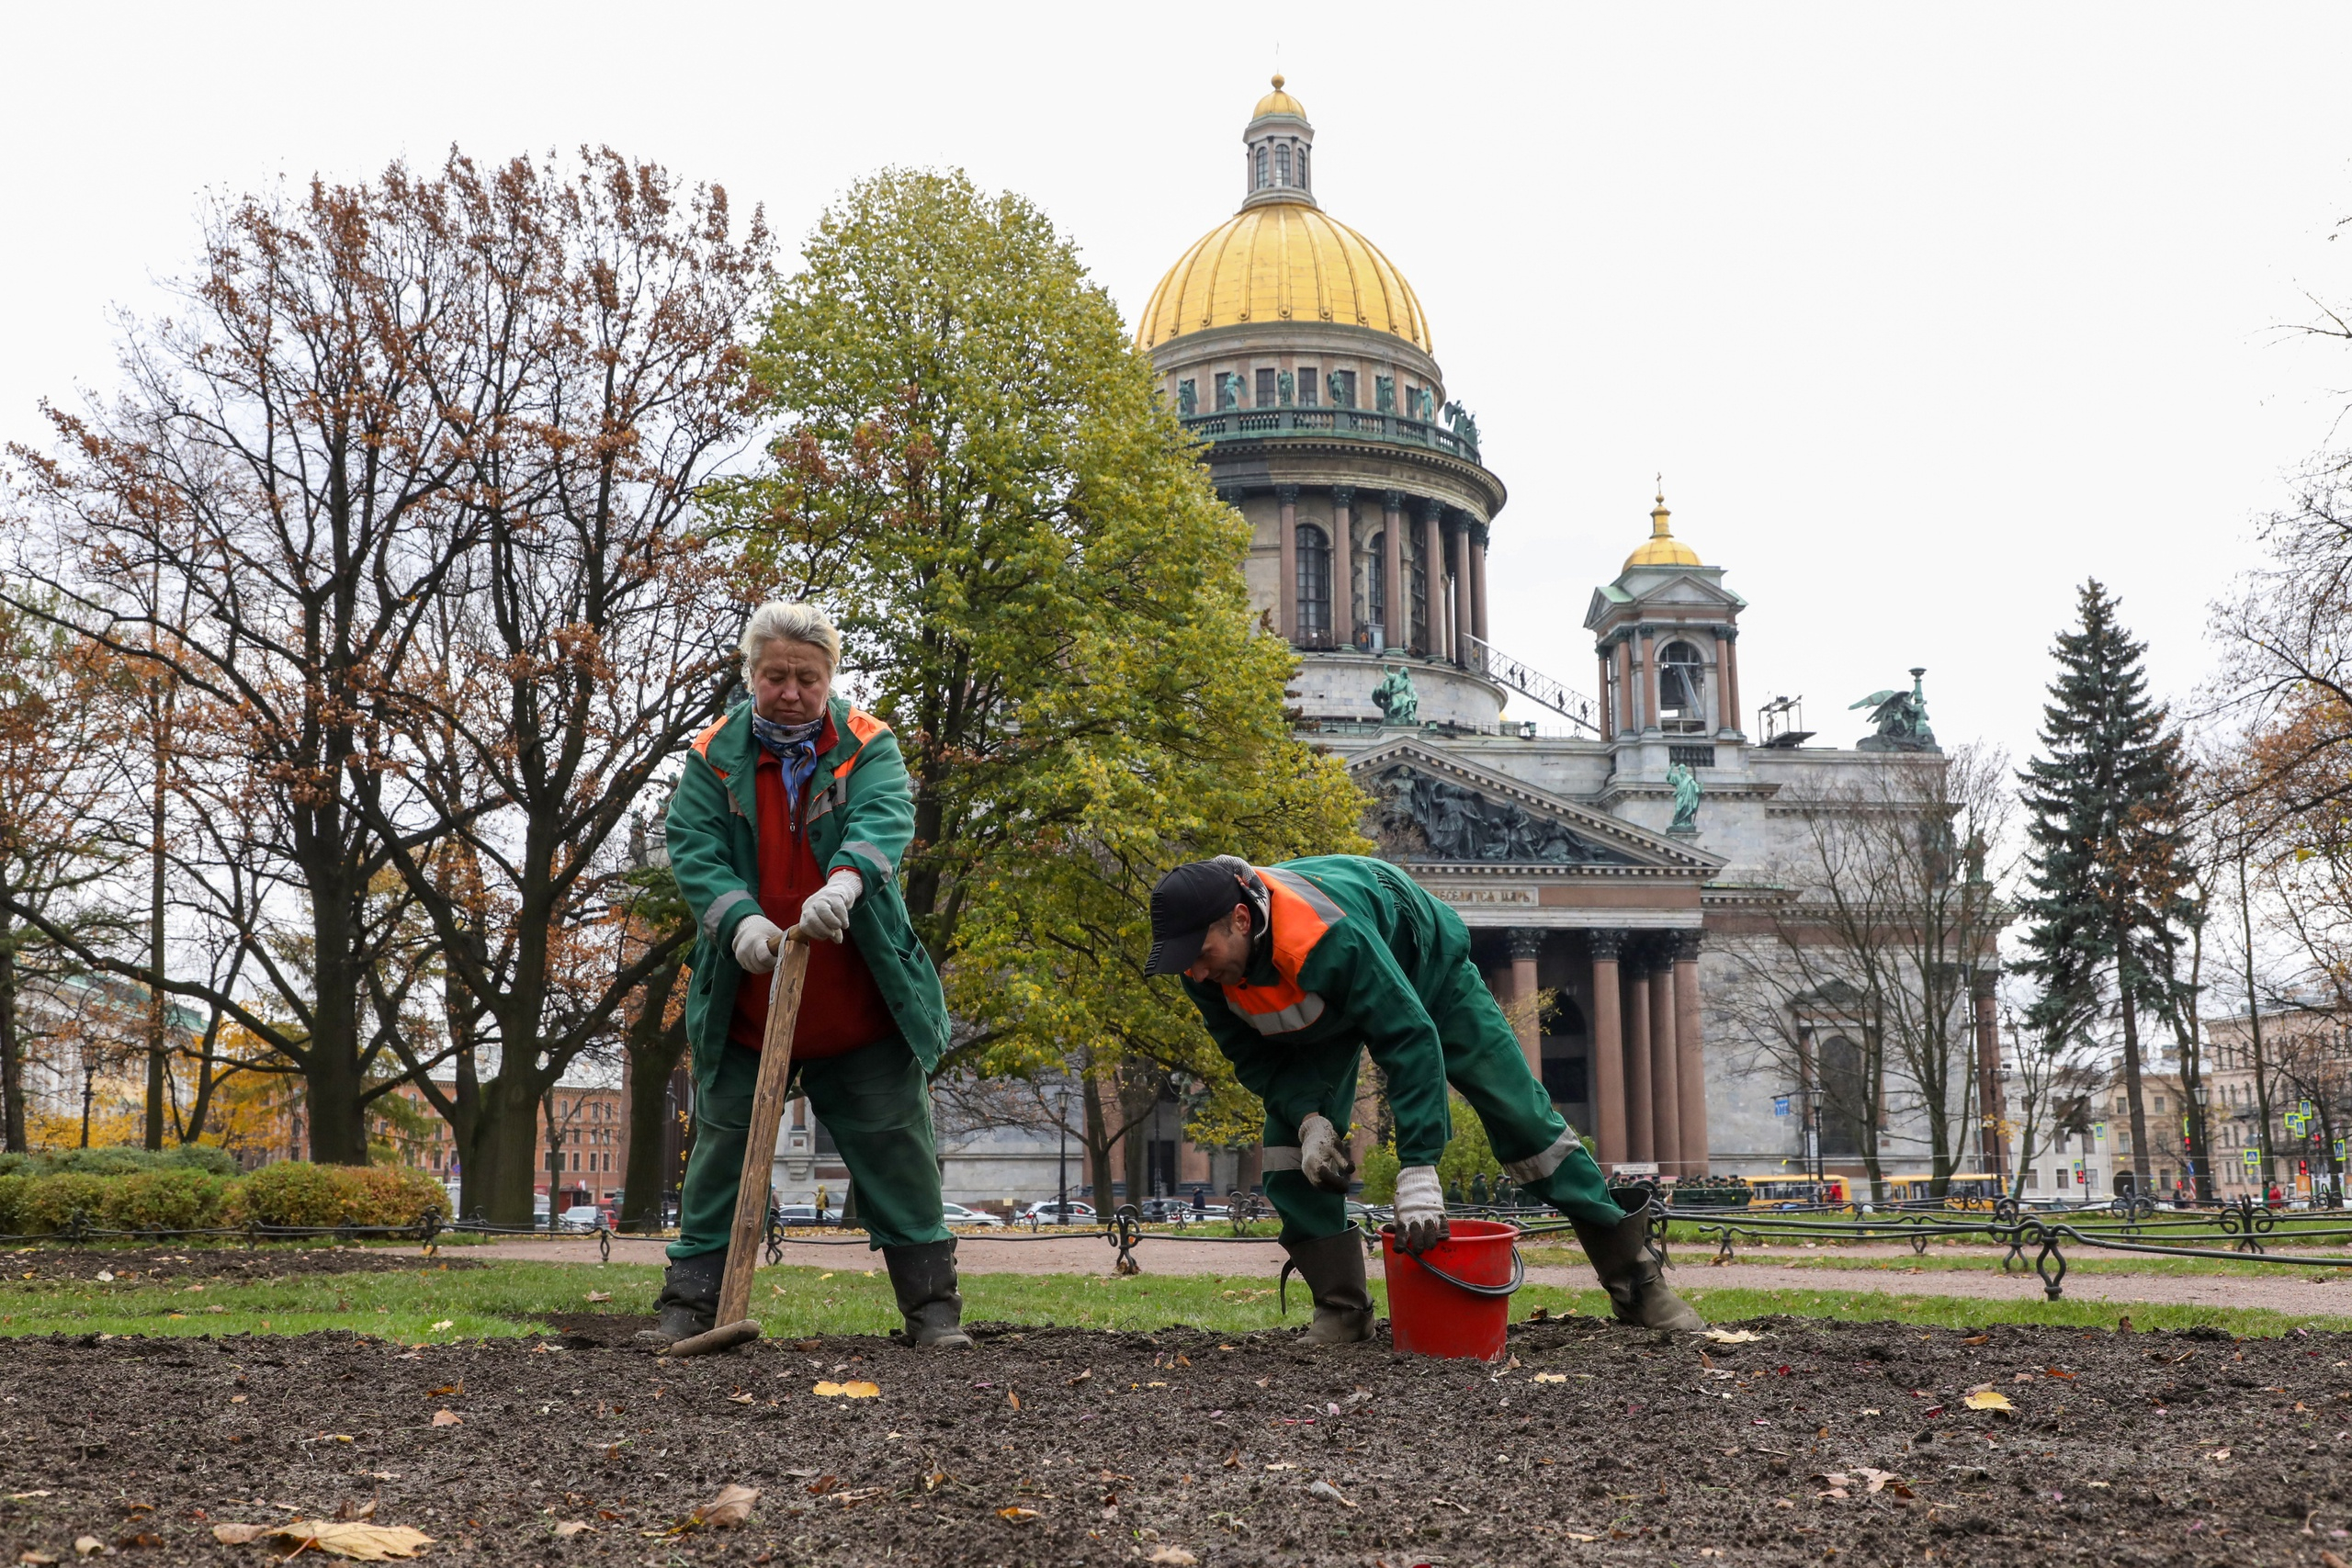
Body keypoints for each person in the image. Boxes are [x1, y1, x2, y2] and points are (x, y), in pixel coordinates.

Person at [1148, 854, 1703, 1341]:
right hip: (1321, 1016)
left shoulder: (1328, 934)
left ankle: (1638, 1282)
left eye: (1201, 953)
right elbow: (1253, 1058)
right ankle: (1341, 1311)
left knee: (1526, 1122)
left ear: (1241, 919)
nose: (1195, 970)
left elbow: (1409, 1036)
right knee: (1289, 1159)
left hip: (1425, 965)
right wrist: (1309, 1118)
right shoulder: (1201, 973)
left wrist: (1419, 1167)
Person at [657, 602, 967, 1350]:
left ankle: (932, 1310)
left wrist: (847, 883)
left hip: (858, 1004)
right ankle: (689, 1305)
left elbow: (885, 818)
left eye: (807, 676)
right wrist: (740, 922)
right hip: (747, 1005)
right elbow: (693, 846)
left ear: (830, 678)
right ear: (749, 675)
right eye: (774, 676)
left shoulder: (868, 745)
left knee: (898, 1150)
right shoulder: (712, 757)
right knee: (721, 1153)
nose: (790, 690)